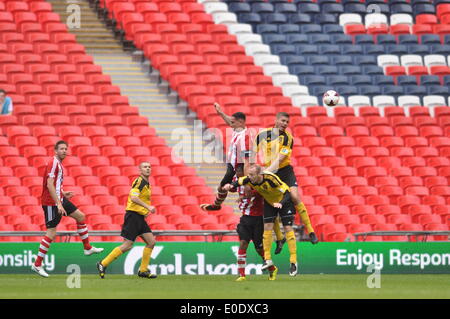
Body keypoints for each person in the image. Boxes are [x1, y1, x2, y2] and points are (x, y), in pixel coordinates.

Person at [31, 141, 104, 278]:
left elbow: (55, 185)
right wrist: (58, 203)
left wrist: (63, 194)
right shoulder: (53, 163)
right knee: (51, 233)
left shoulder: (58, 164)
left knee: (81, 217)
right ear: (55, 151)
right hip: (51, 203)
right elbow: (49, 184)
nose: (64, 151)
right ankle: (37, 264)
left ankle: (87, 248)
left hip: (59, 199)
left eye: (66, 149)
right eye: (61, 149)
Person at [254, 112, 318, 245]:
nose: (285, 124)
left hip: (284, 171)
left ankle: (311, 231)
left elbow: (280, 159)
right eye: (283, 121)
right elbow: (251, 151)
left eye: (287, 122)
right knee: (271, 203)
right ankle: (279, 238)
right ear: (276, 120)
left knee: (294, 196)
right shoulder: (262, 135)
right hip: (269, 171)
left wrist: (266, 172)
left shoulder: (288, 138)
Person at [223, 164, 299, 276]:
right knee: (267, 227)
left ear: (259, 175)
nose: (249, 177)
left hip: (283, 200)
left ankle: (293, 262)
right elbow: (238, 182)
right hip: (269, 202)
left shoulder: (271, 179)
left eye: (252, 175)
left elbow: (287, 193)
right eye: (248, 174)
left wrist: (280, 203)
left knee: (288, 228)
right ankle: (267, 260)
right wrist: (229, 186)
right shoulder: (249, 179)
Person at [96, 162, 157, 279]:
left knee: (151, 242)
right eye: (145, 167)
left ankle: (143, 270)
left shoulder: (147, 183)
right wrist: (148, 207)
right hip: (133, 217)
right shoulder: (139, 181)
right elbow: (133, 198)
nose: (148, 168)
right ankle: (103, 263)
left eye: (149, 166)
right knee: (127, 245)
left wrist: (144, 212)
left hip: (140, 218)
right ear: (140, 170)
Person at [200, 102, 251, 211]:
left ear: (240, 122)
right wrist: (221, 113)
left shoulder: (244, 138)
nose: (230, 124)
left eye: (233, 122)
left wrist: (241, 173)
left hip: (238, 169)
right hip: (231, 166)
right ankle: (216, 206)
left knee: (242, 193)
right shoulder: (238, 129)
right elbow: (230, 121)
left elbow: (246, 160)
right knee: (222, 188)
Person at [233, 179, 278, 281]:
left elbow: (259, 192)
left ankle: (272, 268)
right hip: (245, 219)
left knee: (259, 249)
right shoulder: (239, 184)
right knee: (243, 243)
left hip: (258, 220)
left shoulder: (259, 186)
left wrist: (244, 195)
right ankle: (242, 275)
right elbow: (230, 187)